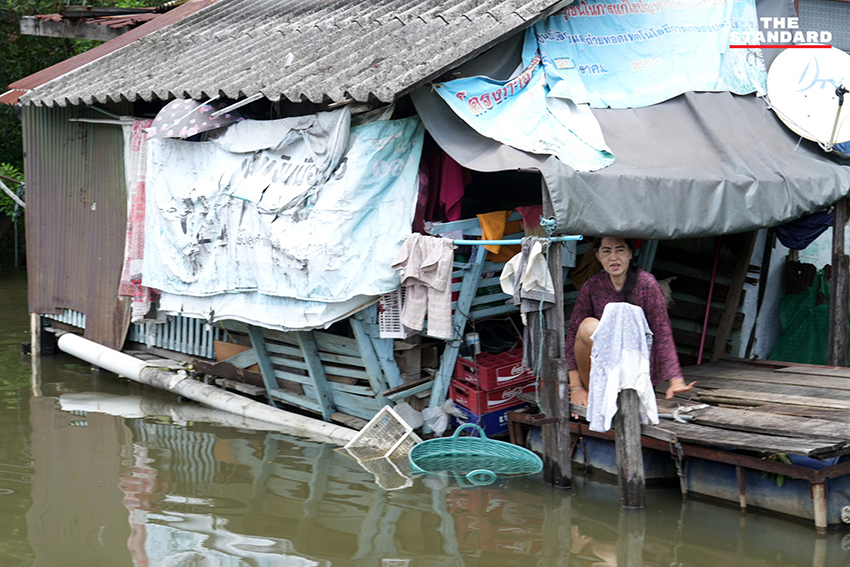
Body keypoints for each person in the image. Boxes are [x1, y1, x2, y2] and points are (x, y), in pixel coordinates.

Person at [565, 237, 695, 412]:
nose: (613, 257)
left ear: (630, 254)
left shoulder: (646, 284)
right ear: (597, 255)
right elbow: (573, 334)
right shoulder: (592, 286)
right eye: (606, 251)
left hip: (637, 368)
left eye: (620, 250)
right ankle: (593, 392)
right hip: (602, 368)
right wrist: (576, 388)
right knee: (588, 326)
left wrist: (676, 380)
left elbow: (662, 332)